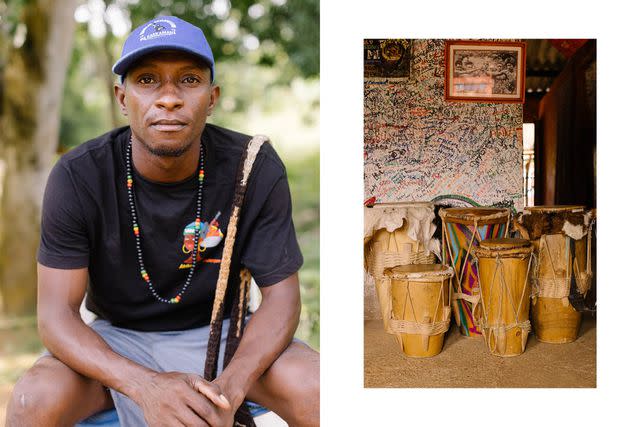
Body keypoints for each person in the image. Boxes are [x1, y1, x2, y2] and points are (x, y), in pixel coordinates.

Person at [6, 16, 319, 427]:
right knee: (34, 400)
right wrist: (145, 385)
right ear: (122, 97)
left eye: (188, 80)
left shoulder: (251, 166)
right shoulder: (78, 175)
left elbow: (281, 299)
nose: (168, 98)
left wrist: (229, 389)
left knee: (317, 386)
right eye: (148, 79)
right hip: (116, 342)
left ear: (212, 96)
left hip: (223, 339)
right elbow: (55, 316)